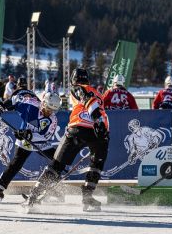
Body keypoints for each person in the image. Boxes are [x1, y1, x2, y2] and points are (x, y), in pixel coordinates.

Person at [23, 68, 109, 212]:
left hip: (79, 127)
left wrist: (97, 119)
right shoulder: (98, 93)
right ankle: (88, 197)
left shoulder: (78, 88)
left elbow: (87, 99)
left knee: (57, 165)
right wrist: (102, 128)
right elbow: (99, 108)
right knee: (96, 164)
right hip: (100, 133)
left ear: (74, 80)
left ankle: (33, 197)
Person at [0, 91, 62, 204]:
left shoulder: (53, 119)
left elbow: (46, 136)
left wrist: (30, 135)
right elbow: (14, 100)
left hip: (40, 143)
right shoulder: (30, 104)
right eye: (48, 109)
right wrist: (0, 107)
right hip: (24, 141)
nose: (50, 112)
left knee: (57, 162)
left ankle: (50, 188)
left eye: (53, 110)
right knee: (16, 164)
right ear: (43, 103)